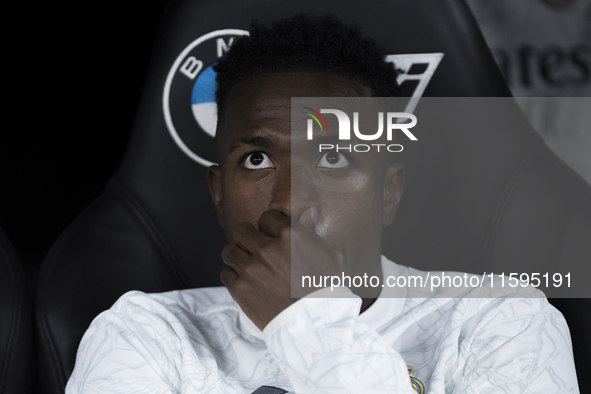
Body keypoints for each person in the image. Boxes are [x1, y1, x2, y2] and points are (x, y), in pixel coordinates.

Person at [65, 14, 578, 393]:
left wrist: (309, 321)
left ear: (387, 192)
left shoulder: (503, 321)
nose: (290, 204)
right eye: (258, 160)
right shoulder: (145, 334)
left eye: (333, 158)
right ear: (219, 195)